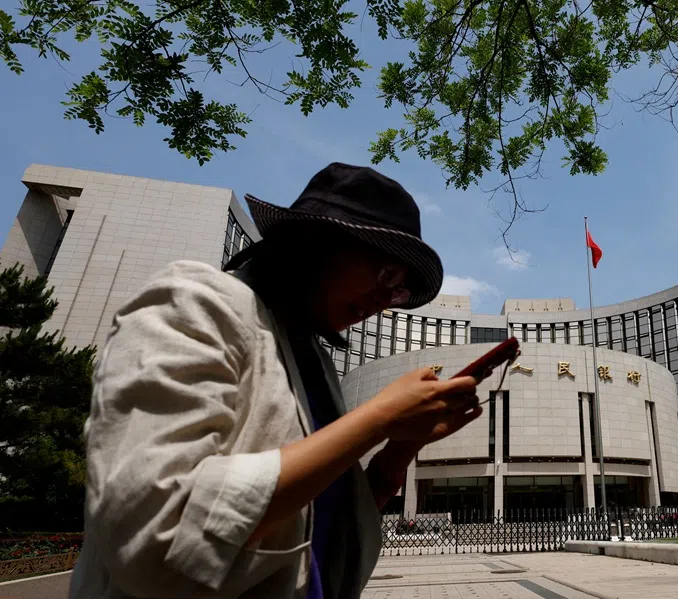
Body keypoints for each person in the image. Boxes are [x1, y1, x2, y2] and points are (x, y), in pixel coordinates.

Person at [69, 163, 485, 599]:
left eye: (399, 292)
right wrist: (377, 418)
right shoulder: (197, 301)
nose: (385, 300)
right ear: (317, 244)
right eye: (386, 276)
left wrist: (400, 447)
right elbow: (155, 536)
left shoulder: (310, 357)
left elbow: (314, 519)